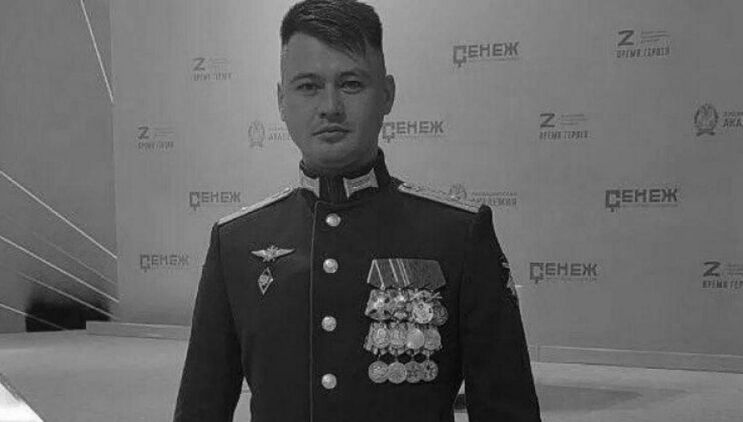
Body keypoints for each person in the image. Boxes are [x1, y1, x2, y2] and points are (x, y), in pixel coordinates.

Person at [174, 0, 541, 421]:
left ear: (387, 95)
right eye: (308, 86)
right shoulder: (237, 243)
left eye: (350, 84)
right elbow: (201, 406)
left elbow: (507, 408)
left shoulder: (457, 236)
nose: (330, 106)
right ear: (281, 100)